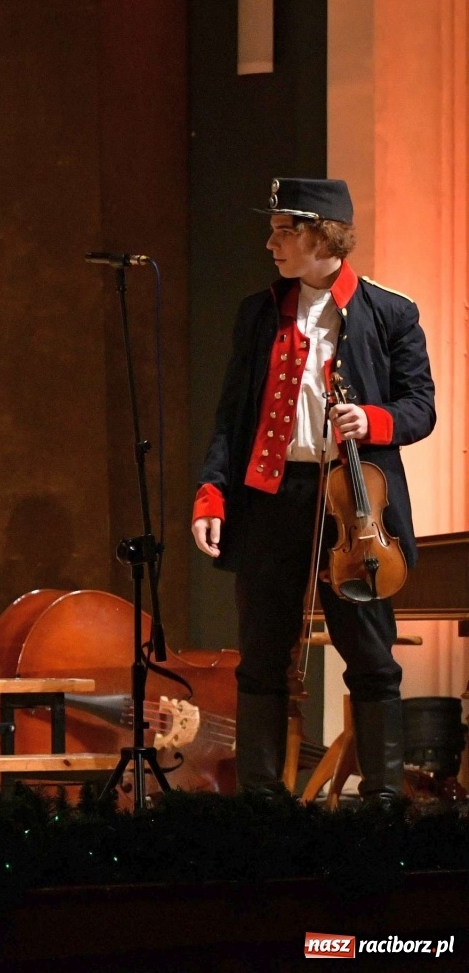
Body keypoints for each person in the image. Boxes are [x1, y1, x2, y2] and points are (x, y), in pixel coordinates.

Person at [192, 177, 434, 804]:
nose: (270, 241)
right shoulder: (260, 311)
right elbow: (231, 418)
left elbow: (420, 408)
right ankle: (263, 805)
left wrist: (373, 420)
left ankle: (383, 806)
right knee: (264, 654)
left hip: (356, 504)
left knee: (371, 657)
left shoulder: (390, 311)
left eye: (283, 230)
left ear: (322, 236)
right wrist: (212, 494)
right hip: (273, 498)